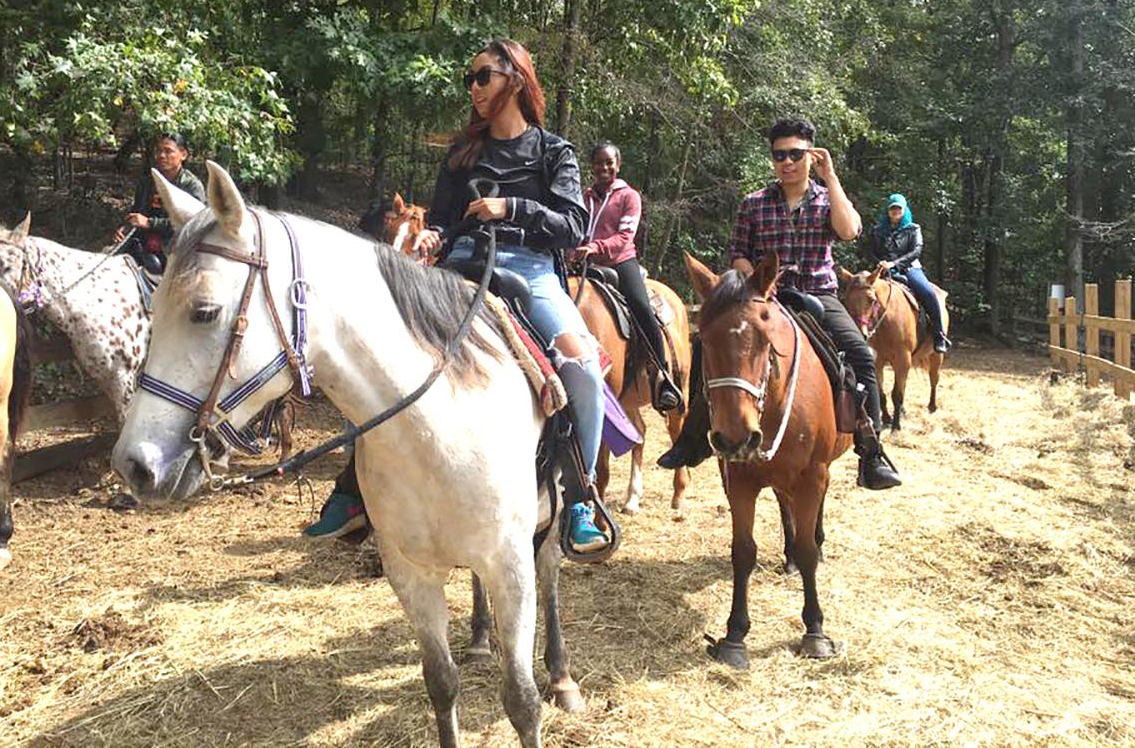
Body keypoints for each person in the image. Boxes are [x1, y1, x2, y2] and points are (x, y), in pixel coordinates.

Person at [305, 38, 610, 553]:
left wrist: (509, 207)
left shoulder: (554, 152)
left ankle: (580, 497)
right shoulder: (462, 154)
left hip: (532, 271)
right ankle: (354, 491)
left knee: (581, 366)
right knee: (377, 351)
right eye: (469, 79)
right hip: (460, 269)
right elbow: (444, 222)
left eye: (482, 76)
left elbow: (573, 225)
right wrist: (434, 236)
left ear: (514, 78)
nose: (472, 87)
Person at [657, 117, 903, 491]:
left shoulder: (826, 198)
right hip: (763, 296)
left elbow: (850, 230)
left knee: (861, 356)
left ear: (811, 156)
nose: (786, 162)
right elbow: (738, 254)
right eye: (779, 155)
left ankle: (871, 450)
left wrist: (831, 177)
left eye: (795, 154)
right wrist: (756, 283)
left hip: (818, 295)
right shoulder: (753, 203)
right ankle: (692, 439)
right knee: (705, 347)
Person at [570, 140, 682, 412]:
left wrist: (595, 247)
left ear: (617, 165)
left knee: (642, 308)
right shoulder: (583, 198)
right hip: (584, 263)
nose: (604, 167)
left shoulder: (628, 196)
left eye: (609, 162)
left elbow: (624, 237)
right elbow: (573, 227)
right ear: (592, 166)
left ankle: (663, 376)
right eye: (598, 163)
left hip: (620, 262)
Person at [114, 133, 205, 273]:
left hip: (173, 247)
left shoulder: (191, 186)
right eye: (159, 151)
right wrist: (125, 229)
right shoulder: (147, 182)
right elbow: (137, 213)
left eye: (168, 151)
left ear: (183, 155)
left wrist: (150, 223)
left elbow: (192, 225)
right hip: (142, 242)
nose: (162, 156)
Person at [872, 193, 949, 352]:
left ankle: (938, 334)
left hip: (909, 268)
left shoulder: (913, 228)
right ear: (887, 210)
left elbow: (916, 250)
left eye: (898, 208)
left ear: (904, 210)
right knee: (863, 291)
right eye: (892, 208)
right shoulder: (878, 230)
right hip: (884, 270)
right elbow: (871, 250)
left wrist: (895, 263)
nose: (895, 211)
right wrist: (880, 262)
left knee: (927, 292)